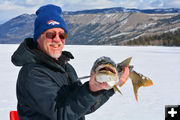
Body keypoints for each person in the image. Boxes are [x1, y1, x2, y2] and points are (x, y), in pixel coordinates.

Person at [11, 4, 129, 120]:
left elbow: (83, 107)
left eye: (62, 35)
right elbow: (60, 114)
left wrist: (109, 89)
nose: (57, 39)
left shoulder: (66, 67)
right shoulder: (32, 73)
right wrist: (90, 89)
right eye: (50, 34)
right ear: (38, 38)